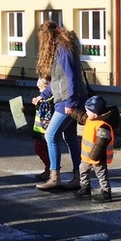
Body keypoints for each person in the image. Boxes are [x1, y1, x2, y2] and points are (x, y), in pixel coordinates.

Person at [34, 21, 87, 191]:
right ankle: (80, 177)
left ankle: (54, 177)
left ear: (48, 36)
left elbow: (71, 78)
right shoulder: (60, 50)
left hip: (68, 101)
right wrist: (42, 97)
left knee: (50, 136)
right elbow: (57, 81)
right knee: (70, 138)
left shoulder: (63, 50)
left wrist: (71, 103)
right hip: (66, 99)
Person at [76, 95, 118, 202]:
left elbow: (101, 143)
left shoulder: (103, 125)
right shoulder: (91, 119)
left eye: (87, 110)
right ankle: (85, 187)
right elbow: (81, 117)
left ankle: (106, 192)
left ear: (94, 113)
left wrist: (94, 156)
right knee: (83, 169)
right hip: (87, 157)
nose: (85, 112)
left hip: (98, 157)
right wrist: (72, 111)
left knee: (101, 174)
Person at [29, 76, 54, 181]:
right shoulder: (42, 99)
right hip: (39, 129)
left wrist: (40, 102)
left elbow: (47, 106)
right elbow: (38, 113)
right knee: (41, 149)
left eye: (42, 90)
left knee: (44, 149)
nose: (40, 93)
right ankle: (48, 168)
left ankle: (50, 169)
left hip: (45, 129)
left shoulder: (49, 99)